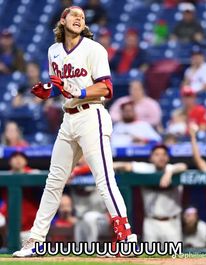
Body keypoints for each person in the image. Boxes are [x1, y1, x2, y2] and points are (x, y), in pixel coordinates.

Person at [13, 5, 137, 257]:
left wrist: (77, 92)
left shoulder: (94, 49)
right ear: (62, 20)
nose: (80, 18)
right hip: (68, 119)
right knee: (53, 182)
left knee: (104, 180)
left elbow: (106, 88)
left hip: (92, 116)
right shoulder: (53, 51)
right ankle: (35, 240)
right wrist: (49, 91)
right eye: (75, 15)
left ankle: (127, 237)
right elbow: (61, 86)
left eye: (83, 16)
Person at [114, 145, 187, 245]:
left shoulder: (172, 168)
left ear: (168, 158)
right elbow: (126, 166)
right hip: (151, 222)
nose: (161, 157)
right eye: (157, 154)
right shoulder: (146, 168)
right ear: (151, 158)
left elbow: (183, 166)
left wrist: (169, 173)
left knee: (175, 257)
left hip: (172, 221)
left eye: (164, 154)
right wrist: (102, 165)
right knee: (150, 256)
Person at [0, 151, 40, 243]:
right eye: (15, 157)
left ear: (25, 161)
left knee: (33, 254)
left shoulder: (34, 173)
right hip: (10, 226)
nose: (18, 159)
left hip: (30, 227)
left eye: (21, 157)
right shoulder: (5, 176)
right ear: (9, 162)